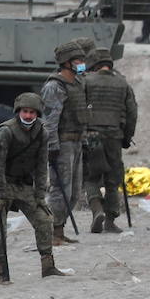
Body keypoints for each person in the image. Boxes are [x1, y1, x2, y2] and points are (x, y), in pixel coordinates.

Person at [0, 93, 64, 283]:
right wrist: (0, 195)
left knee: (44, 219)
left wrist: (39, 195)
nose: (28, 116)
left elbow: (41, 164)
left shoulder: (42, 133)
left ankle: (48, 266)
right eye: (25, 111)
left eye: (32, 112)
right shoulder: (6, 131)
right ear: (18, 111)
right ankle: (2, 274)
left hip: (22, 183)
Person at [81, 48, 138, 234]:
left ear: (94, 64)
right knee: (113, 178)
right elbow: (131, 113)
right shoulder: (123, 84)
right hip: (114, 135)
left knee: (91, 176)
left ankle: (97, 210)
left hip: (92, 136)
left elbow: (78, 108)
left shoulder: (86, 82)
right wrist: (127, 137)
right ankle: (111, 221)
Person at [41, 41, 88, 246]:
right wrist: (52, 146)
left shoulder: (78, 83)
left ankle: (60, 229)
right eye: (78, 60)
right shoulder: (54, 86)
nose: (82, 63)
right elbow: (50, 120)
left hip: (77, 143)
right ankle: (53, 232)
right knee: (61, 190)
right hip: (62, 145)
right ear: (66, 63)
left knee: (75, 191)